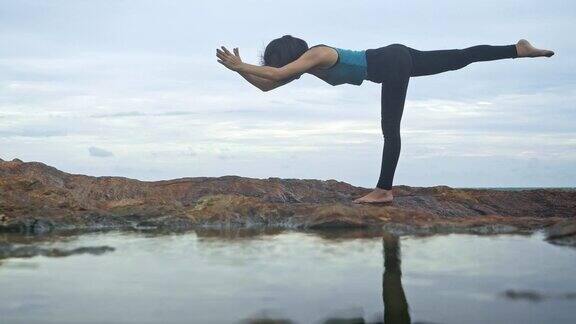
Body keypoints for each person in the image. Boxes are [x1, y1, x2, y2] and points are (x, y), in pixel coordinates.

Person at [216, 35, 554, 204]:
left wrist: (240, 66)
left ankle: (383, 191)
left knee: (390, 130)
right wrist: (239, 72)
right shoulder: (304, 67)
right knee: (458, 59)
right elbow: (268, 85)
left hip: (391, 61)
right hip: (397, 58)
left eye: (276, 61)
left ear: (287, 55)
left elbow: (275, 74)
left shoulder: (316, 53)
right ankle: (517, 49)